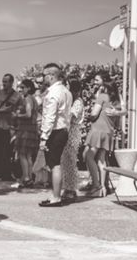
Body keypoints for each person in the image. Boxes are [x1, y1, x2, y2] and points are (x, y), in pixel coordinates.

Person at [83, 75, 126, 197]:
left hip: (97, 130)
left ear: (105, 87)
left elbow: (94, 113)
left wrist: (89, 115)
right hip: (108, 132)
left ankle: (96, 185)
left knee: (89, 156)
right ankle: (103, 188)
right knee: (102, 160)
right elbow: (124, 110)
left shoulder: (102, 97)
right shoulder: (117, 100)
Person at [38, 63, 72, 207]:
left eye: (45, 75)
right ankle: (55, 194)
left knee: (54, 164)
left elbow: (50, 117)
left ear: (52, 75)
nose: (43, 78)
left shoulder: (53, 93)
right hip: (63, 130)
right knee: (55, 163)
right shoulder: (66, 91)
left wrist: (44, 138)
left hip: (55, 131)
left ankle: (56, 197)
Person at [0, 73, 23, 182]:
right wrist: (2, 110)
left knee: (7, 152)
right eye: (3, 81)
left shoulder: (17, 95)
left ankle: (6, 174)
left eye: (6, 81)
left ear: (11, 82)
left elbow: (19, 109)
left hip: (9, 126)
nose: (4, 83)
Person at [60, 78, 85, 202]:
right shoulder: (72, 101)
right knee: (65, 162)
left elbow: (71, 115)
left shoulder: (78, 102)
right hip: (67, 131)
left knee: (71, 161)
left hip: (73, 132)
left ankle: (72, 189)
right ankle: (67, 187)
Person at [15, 79, 39, 188]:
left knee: (22, 154)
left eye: (23, 87)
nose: (20, 89)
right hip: (31, 129)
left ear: (28, 88)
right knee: (28, 155)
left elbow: (28, 114)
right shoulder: (34, 99)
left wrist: (17, 115)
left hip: (25, 130)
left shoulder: (28, 99)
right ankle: (29, 177)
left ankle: (26, 178)